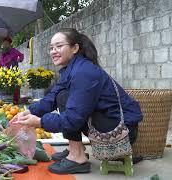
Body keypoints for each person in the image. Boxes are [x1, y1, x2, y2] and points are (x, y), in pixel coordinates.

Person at [12, 28, 143, 174]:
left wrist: (40, 122)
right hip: (106, 122)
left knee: (66, 100)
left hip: (121, 130)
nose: (53, 51)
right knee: (62, 95)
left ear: (75, 48)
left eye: (59, 46)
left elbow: (73, 119)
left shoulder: (84, 72)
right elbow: (52, 97)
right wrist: (30, 111)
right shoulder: (71, 69)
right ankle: (74, 149)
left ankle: (78, 158)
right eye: (51, 48)